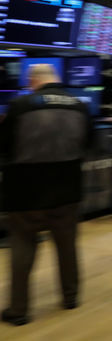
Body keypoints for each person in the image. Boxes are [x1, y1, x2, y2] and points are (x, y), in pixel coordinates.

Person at [0, 64, 93, 326]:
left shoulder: (20, 105)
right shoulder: (78, 106)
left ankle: (19, 311)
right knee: (67, 247)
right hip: (67, 192)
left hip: (25, 195)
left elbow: (4, 146)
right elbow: (89, 144)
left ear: (33, 81)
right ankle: (70, 297)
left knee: (22, 250)